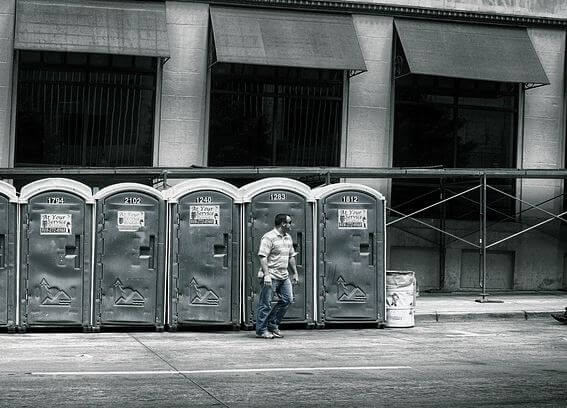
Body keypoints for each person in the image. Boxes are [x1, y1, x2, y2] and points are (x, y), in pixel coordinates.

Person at [255, 213, 299, 339]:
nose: (291, 225)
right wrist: (267, 275)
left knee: (287, 299)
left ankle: (273, 325)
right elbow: (262, 256)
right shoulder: (268, 237)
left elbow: (291, 256)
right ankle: (261, 330)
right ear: (283, 224)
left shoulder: (288, 237)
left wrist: (295, 272)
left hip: (284, 276)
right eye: (289, 222)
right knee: (266, 304)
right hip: (271, 275)